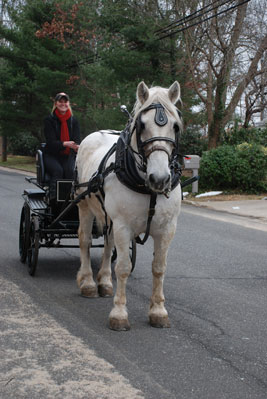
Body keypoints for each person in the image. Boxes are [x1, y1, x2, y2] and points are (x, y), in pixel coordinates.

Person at [43, 92, 80, 199]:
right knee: (58, 171)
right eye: (60, 101)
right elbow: (50, 143)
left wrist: (76, 146)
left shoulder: (74, 121)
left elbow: (77, 139)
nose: (63, 104)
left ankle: (71, 200)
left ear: (68, 103)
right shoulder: (49, 120)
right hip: (52, 155)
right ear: (56, 103)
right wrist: (65, 144)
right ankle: (54, 201)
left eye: (65, 101)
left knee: (71, 172)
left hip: (68, 155)